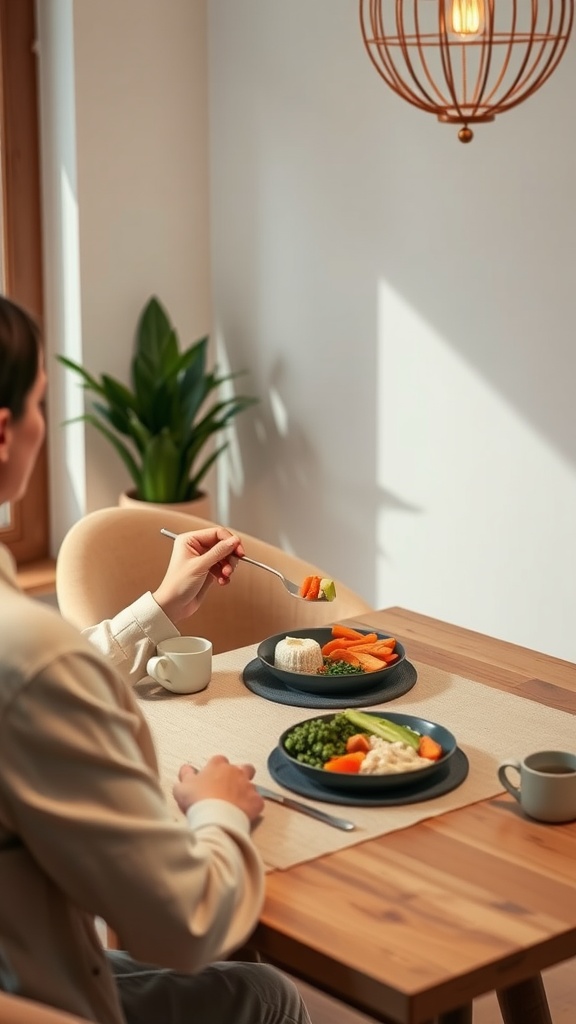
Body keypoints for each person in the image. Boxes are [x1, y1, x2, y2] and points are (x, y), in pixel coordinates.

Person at [0, 295, 312, 1024]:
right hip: (42, 996)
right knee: (266, 996)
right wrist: (218, 811)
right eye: (43, 401)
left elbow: (32, 688)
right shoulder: (28, 651)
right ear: (4, 432)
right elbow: (186, 924)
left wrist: (161, 607)